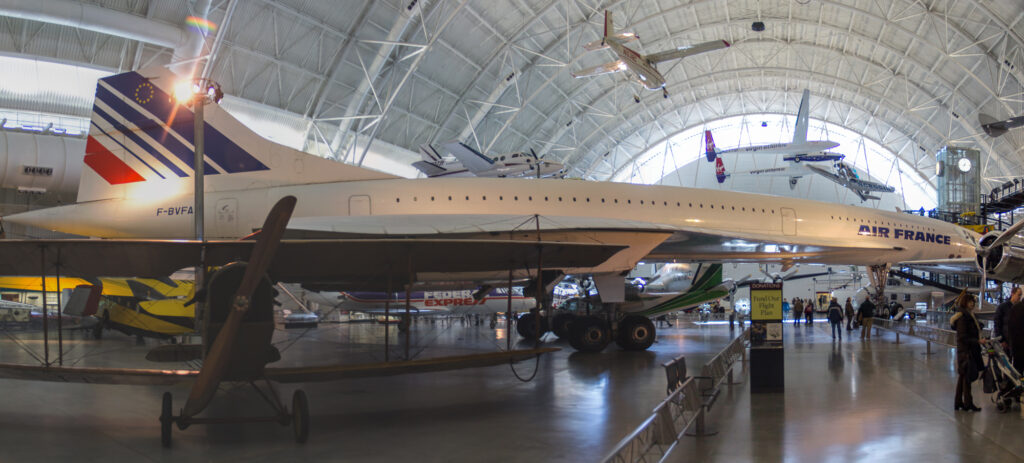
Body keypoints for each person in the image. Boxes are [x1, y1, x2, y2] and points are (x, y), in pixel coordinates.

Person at [951, 292, 984, 412]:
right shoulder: (963, 317)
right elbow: (963, 337)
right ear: (965, 302)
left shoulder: (968, 316)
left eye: (973, 302)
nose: (972, 304)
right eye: (970, 302)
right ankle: (968, 403)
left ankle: (958, 402)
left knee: (963, 377)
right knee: (967, 378)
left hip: (966, 351)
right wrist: (977, 341)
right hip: (966, 352)